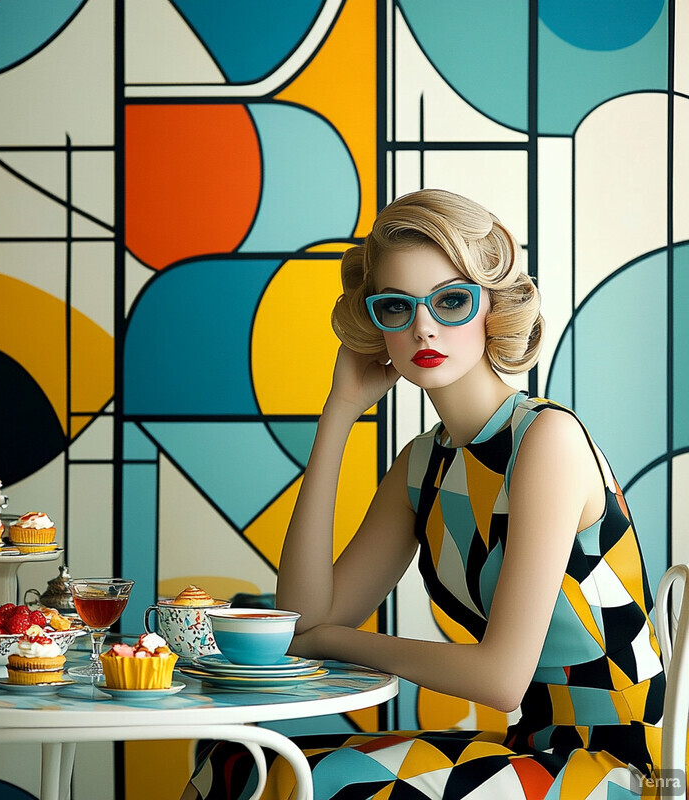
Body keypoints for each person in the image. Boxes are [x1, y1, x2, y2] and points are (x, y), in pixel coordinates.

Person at [182, 189, 664, 799]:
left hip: (623, 766)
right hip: (533, 750)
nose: (424, 327)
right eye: (397, 308)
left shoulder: (547, 440)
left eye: (451, 300)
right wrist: (339, 414)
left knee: (320, 781)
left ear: (493, 306)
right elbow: (304, 616)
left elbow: (499, 680)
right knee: (244, 763)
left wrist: (330, 641)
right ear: (375, 323)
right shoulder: (423, 465)